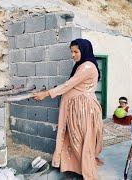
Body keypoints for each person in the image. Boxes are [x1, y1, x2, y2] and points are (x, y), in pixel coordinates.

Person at [33, 38, 103, 180]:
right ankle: (79, 168)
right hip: (78, 109)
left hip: (84, 110)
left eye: (76, 52)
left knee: (81, 140)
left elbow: (68, 85)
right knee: (75, 139)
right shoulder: (82, 65)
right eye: (72, 52)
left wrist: (45, 94)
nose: (73, 55)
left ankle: (88, 173)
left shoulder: (87, 67)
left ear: (84, 51)